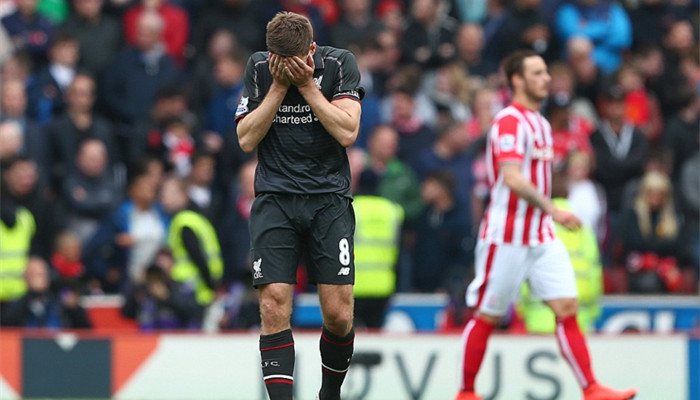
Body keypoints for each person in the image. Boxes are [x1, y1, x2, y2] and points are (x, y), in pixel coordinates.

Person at [454, 50, 636, 400]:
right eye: (537, 73)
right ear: (517, 80)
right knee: (488, 313)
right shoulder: (509, 121)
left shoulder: (540, 123)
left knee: (567, 308)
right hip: (507, 234)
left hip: (540, 235)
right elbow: (512, 178)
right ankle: (466, 392)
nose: (547, 79)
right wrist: (554, 209)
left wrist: (548, 214)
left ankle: (591, 388)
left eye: (546, 72)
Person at [234, 12, 362, 400]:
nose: (286, 67)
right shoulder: (260, 69)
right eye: (279, 60)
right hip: (276, 198)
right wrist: (278, 86)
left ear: (311, 49)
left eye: (294, 61)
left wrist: (306, 86)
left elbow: (348, 131)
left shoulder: (339, 64)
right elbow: (245, 139)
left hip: (329, 199)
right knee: (273, 303)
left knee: (338, 313)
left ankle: (330, 394)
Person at [352, 169, 403, 329]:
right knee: (376, 333)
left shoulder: (351, 207)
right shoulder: (393, 210)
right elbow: (400, 249)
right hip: (384, 285)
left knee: (350, 335)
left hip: (354, 285)